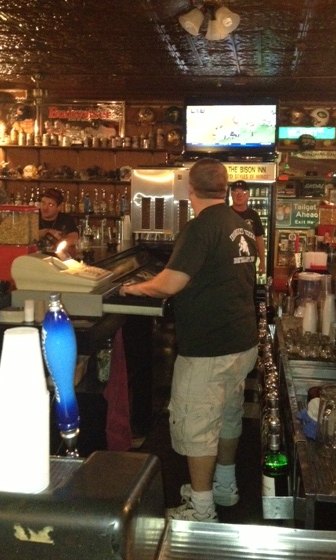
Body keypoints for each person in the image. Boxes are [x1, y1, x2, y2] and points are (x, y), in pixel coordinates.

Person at [120, 158, 259, 522]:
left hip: (209, 347)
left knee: (198, 427)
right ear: (226, 189)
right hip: (242, 341)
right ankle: (224, 486)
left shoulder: (200, 228)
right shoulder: (240, 225)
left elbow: (170, 284)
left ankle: (202, 509)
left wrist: (135, 288)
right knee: (227, 416)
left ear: (189, 189)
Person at [229, 180, 266, 276]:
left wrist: (262, 261)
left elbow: (259, 238)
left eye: (243, 192)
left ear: (248, 195)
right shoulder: (226, 214)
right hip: (229, 265)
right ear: (231, 195)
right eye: (236, 192)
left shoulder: (254, 215)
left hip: (248, 264)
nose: (239, 195)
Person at [38, 187, 79, 256]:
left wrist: (58, 243)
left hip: (58, 257)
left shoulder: (66, 219)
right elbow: (25, 236)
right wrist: (46, 232)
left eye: (50, 205)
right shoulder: (33, 216)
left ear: (59, 207)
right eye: (43, 203)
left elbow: (74, 238)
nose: (45, 207)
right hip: (34, 257)